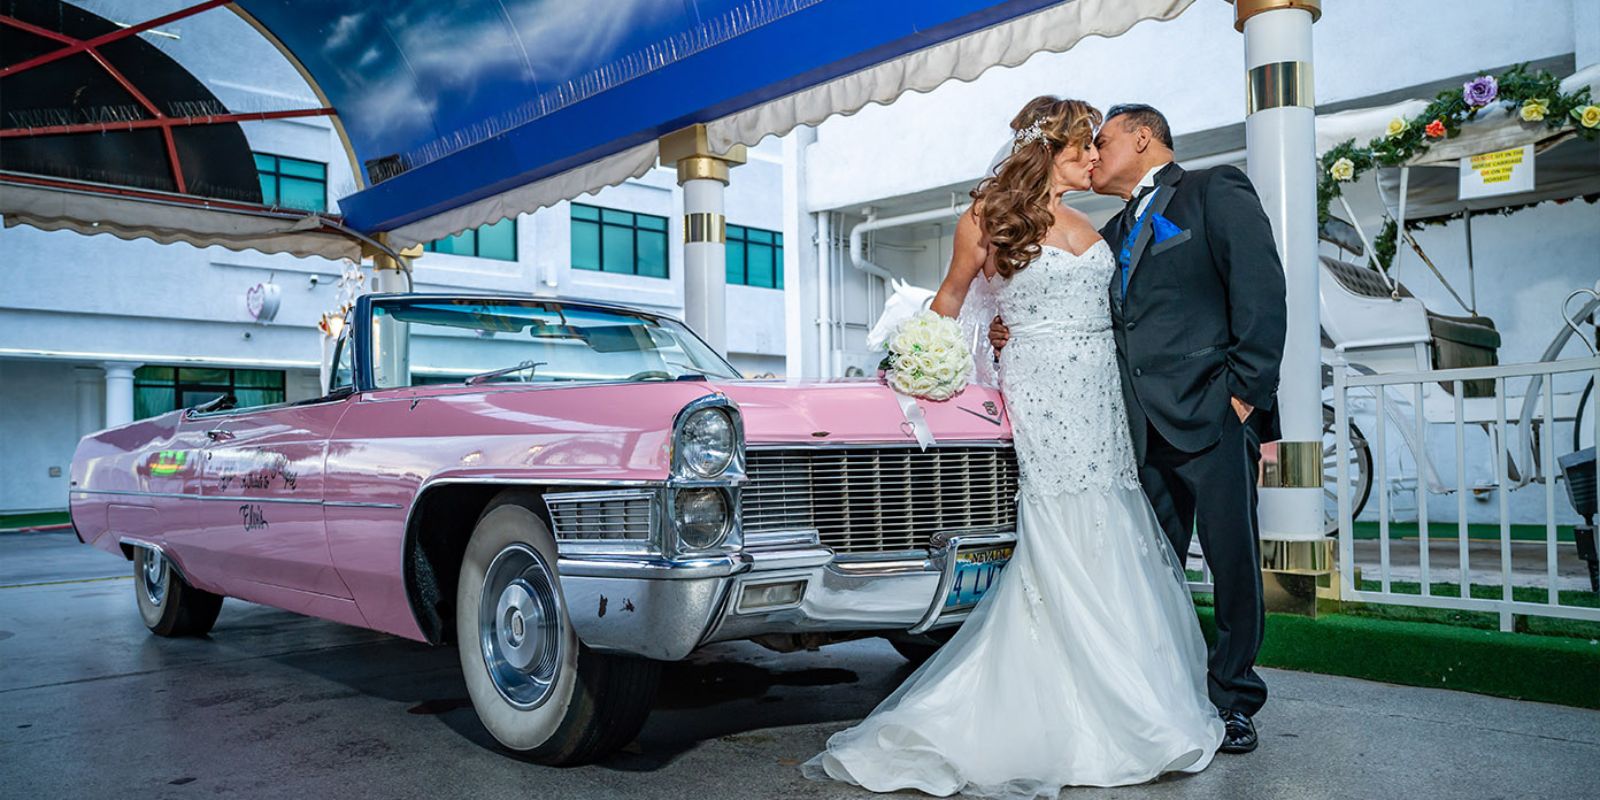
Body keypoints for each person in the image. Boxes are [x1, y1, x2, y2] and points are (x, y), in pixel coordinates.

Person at [802, 96, 1225, 797]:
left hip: (1101, 393)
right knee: (1059, 523)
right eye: (1085, 146)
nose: (1096, 157)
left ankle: (1131, 694)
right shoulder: (986, 219)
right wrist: (922, 361)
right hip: (1040, 387)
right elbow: (951, 299)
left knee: (1111, 518)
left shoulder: (1094, 224)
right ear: (1051, 151)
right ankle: (1062, 708)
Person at [990, 103, 1287, 754]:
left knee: (1234, 564)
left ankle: (1235, 700)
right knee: (1150, 571)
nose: (1093, 153)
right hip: (1134, 430)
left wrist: (1245, 395)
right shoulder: (1109, 231)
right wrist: (1009, 326)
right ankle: (1165, 693)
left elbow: (1261, 289)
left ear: (1143, 136)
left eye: (1103, 140)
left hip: (1212, 414)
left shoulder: (1214, 190)